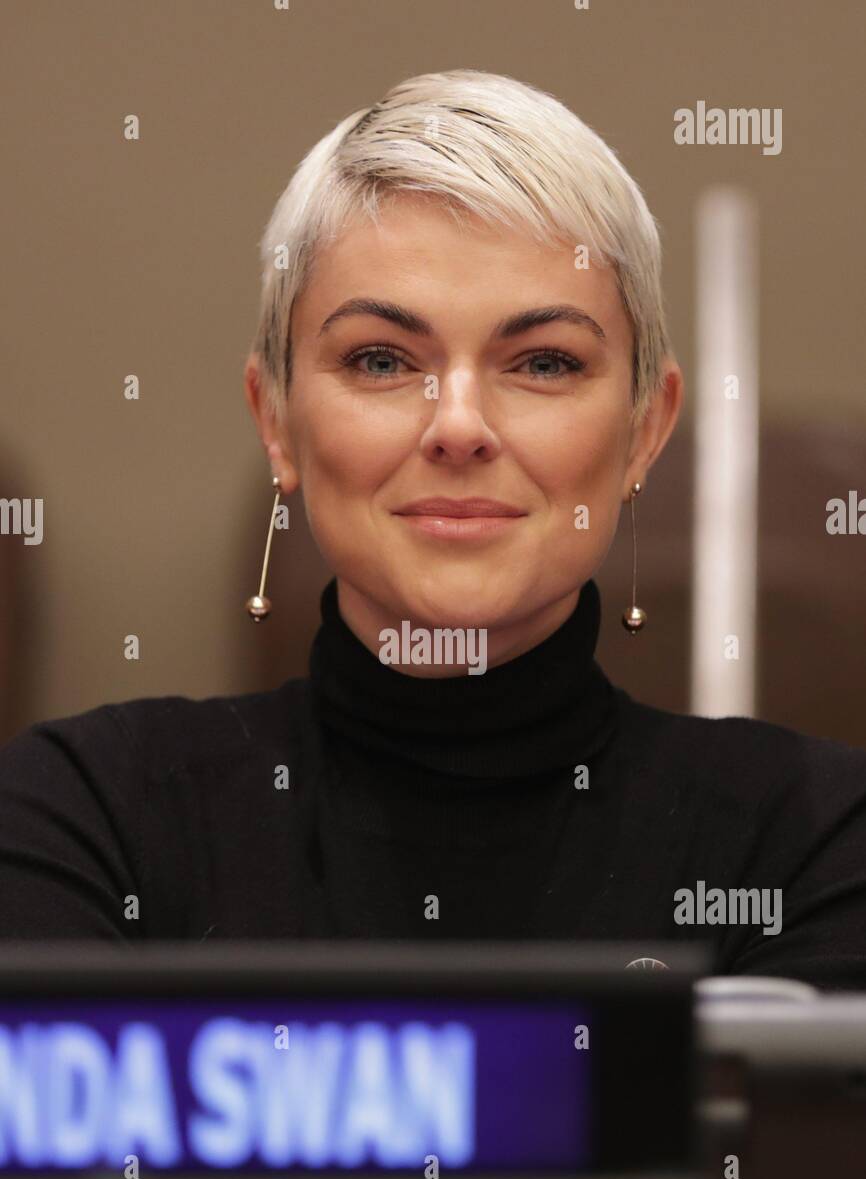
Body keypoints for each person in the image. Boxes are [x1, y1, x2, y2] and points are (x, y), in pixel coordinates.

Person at [1, 69, 864, 988]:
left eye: (542, 361)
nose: (459, 426)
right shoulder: (83, 814)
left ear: (646, 430)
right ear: (277, 421)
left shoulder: (817, 836)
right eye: (381, 358)